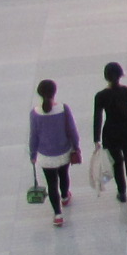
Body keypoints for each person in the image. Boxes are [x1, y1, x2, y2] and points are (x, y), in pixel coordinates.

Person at [92, 62, 127, 223]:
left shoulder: (100, 96)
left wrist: (96, 139)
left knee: (117, 163)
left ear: (106, 77)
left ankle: (122, 192)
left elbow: (97, 118)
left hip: (111, 133)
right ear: (121, 75)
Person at [28, 79, 80, 227]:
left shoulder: (35, 113)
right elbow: (72, 130)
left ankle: (57, 215)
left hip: (45, 156)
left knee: (51, 184)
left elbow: (33, 136)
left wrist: (33, 154)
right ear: (54, 92)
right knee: (64, 175)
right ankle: (65, 197)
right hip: (63, 151)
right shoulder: (63, 109)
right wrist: (76, 146)